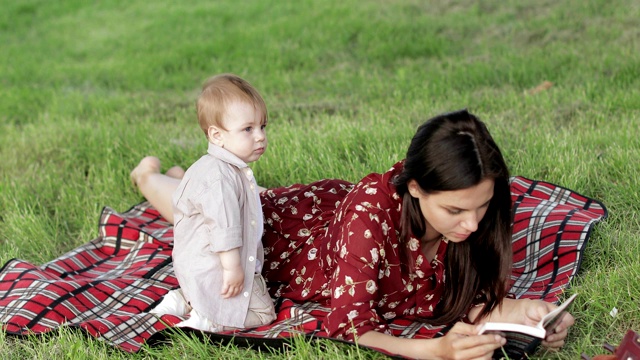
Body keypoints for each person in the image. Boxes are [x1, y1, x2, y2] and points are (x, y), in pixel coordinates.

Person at [131, 109, 574, 359]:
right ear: (415, 188)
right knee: (219, 214)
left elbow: (468, 295)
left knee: (242, 195)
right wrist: (435, 352)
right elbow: (348, 327)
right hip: (291, 239)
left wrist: (527, 313)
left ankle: (182, 175)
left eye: (481, 207)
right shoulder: (373, 218)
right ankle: (151, 177)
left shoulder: (476, 210)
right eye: (456, 210)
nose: (473, 224)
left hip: (333, 217)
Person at [137, 73, 276, 332]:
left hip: (196, 269)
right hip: (218, 269)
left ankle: (183, 299)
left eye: (262, 127)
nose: (260, 136)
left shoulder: (217, 167)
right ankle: (211, 319)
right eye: (248, 129)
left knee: (208, 290)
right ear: (216, 135)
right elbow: (223, 227)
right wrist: (233, 268)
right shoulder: (221, 177)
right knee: (263, 313)